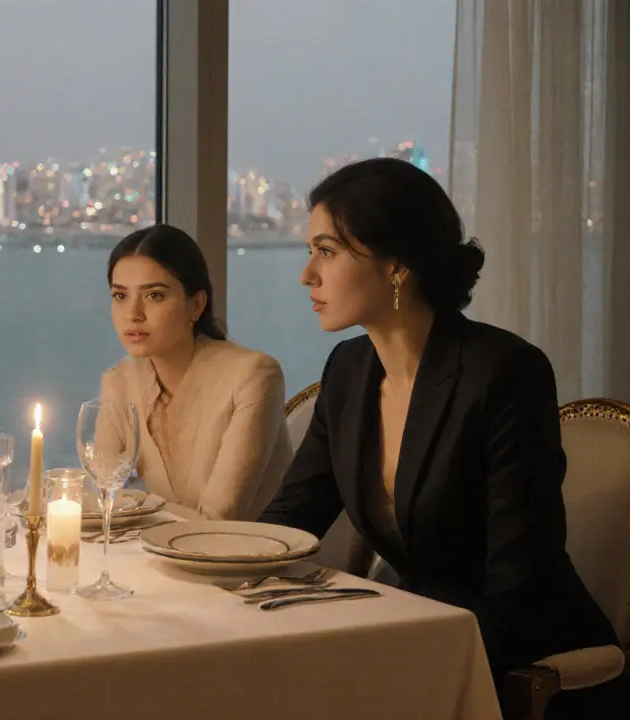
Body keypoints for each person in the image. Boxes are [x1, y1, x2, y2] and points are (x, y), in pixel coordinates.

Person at [258, 158, 623, 716]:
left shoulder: (505, 372)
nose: (307, 274)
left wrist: (394, 647)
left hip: (524, 653)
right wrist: (204, 574)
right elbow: (289, 522)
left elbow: (519, 582)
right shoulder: (349, 370)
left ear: (397, 265)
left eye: (327, 251)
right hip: (415, 625)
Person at [99, 225, 293, 520]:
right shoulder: (119, 381)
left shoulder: (253, 375)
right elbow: (102, 497)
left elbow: (219, 519)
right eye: (120, 296)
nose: (133, 313)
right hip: (163, 554)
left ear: (197, 304)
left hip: (253, 558)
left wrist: (139, 503)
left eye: (154, 295)